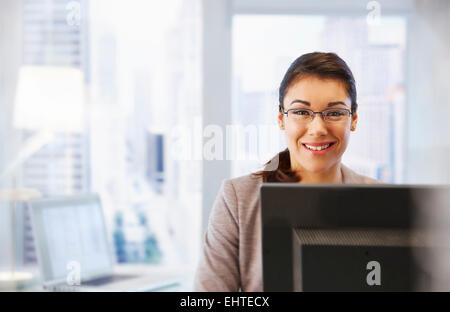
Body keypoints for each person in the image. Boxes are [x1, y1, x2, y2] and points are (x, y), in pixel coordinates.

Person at [193, 52, 381, 292]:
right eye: (302, 112)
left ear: (353, 119)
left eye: (334, 113)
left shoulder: (380, 200)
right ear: (282, 119)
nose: (317, 128)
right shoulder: (238, 199)